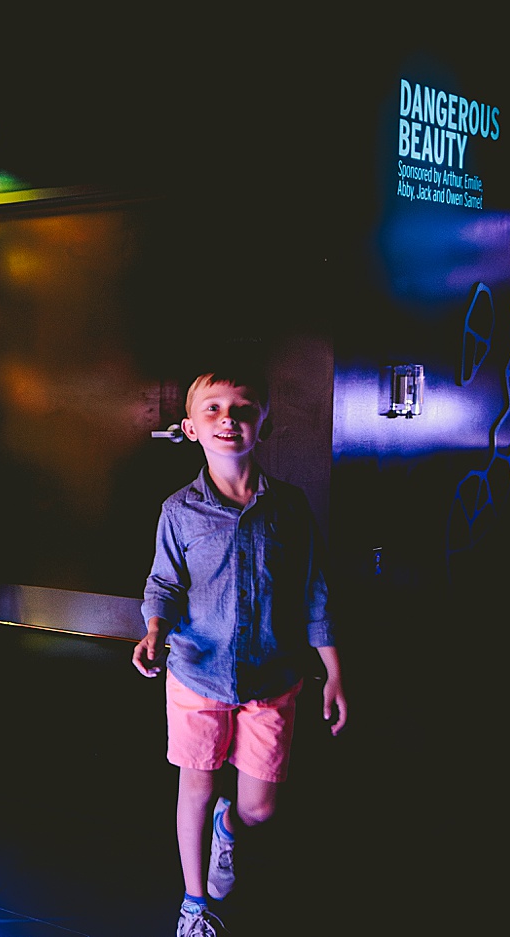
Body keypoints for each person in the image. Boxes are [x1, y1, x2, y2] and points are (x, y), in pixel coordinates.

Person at [131, 368, 348, 937]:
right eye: (214, 409)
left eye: (243, 409)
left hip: (272, 680)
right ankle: (194, 903)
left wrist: (333, 673)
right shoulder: (179, 511)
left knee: (259, 809)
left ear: (264, 425)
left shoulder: (291, 509)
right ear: (191, 428)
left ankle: (231, 829)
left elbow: (315, 592)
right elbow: (164, 585)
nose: (228, 418)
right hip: (196, 676)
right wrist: (154, 630)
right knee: (195, 788)